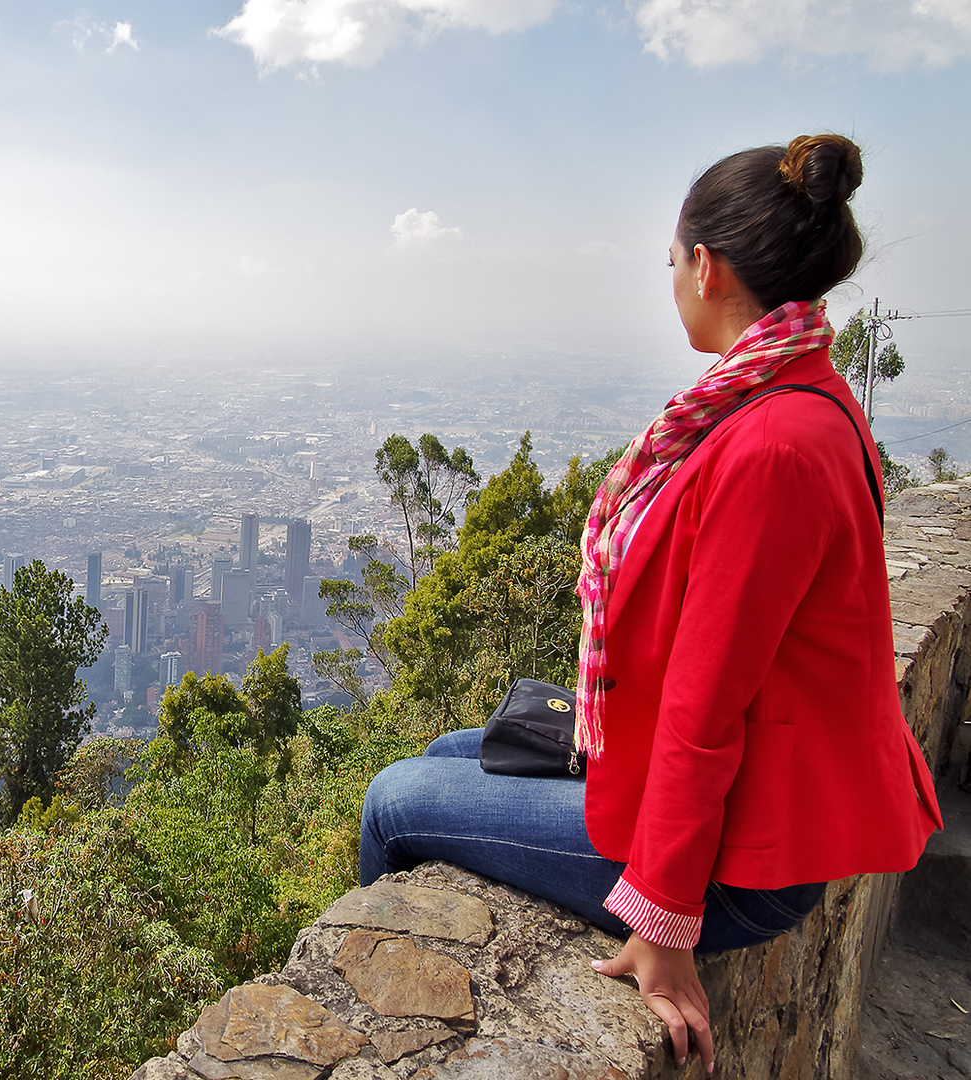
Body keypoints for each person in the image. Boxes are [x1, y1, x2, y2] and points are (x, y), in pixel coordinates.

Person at [358, 134, 942, 1074]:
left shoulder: (772, 446)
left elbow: (707, 708)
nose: (670, 278)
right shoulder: (783, 397)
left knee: (393, 802)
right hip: (738, 794)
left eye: (672, 261)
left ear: (707, 268)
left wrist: (664, 922)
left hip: (747, 852)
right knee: (446, 753)